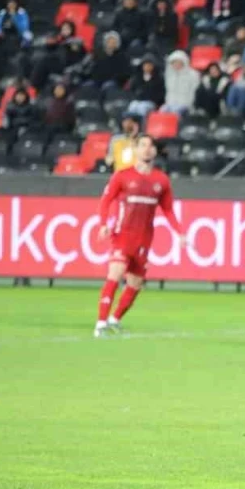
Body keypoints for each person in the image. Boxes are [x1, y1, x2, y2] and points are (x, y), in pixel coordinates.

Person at [94, 134, 183, 337]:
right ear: (135, 149)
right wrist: (103, 224)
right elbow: (106, 200)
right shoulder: (122, 176)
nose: (147, 149)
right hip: (122, 236)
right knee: (115, 275)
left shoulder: (161, 180)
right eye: (142, 145)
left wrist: (179, 232)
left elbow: (168, 210)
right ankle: (100, 324)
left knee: (135, 284)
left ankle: (114, 320)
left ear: (155, 151)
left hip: (144, 239)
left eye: (150, 146)